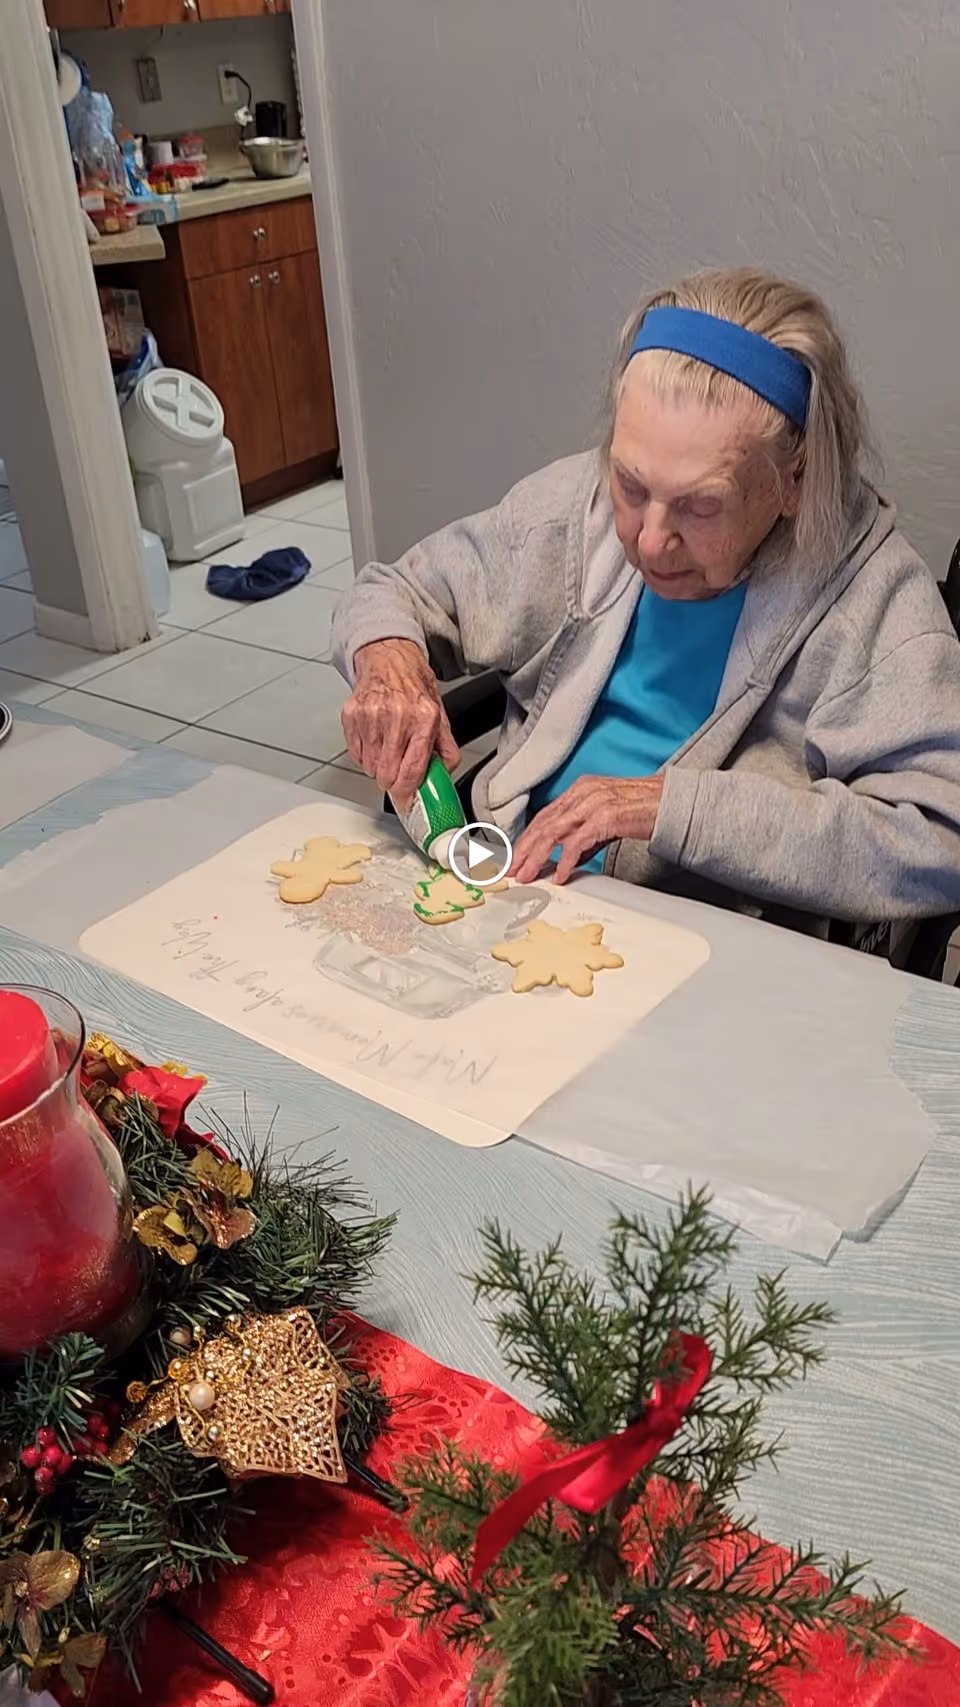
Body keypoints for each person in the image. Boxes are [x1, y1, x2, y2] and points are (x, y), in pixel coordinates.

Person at [331, 267, 960, 927]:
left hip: (704, 939)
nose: (650, 540)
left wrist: (669, 808)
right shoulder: (577, 507)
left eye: (700, 505)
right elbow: (391, 591)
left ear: (793, 481)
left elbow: (942, 840)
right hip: (508, 888)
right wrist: (387, 660)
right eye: (631, 485)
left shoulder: (875, 600)